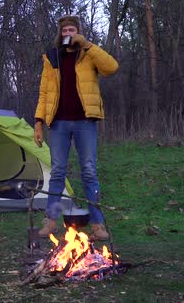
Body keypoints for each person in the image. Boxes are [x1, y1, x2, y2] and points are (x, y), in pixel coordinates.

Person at [33, 15, 119, 241]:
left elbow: (111, 67)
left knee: (89, 171)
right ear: (60, 33)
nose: (68, 34)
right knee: (58, 171)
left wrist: (87, 45)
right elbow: (43, 92)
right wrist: (38, 122)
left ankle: (98, 224)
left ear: (78, 32)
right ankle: (50, 221)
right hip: (59, 123)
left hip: (85, 122)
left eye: (72, 30)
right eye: (65, 30)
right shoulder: (52, 58)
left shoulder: (88, 54)